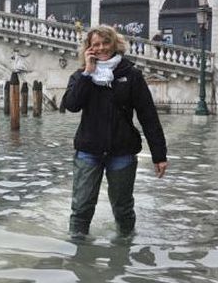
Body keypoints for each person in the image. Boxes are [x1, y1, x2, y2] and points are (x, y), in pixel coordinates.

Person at [61, 25, 168, 238]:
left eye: (105, 43)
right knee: (81, 208)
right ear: (88, 49)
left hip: (122, 151)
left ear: (115, 44)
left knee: (123, 208)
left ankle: (124, 250)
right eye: (95, 45)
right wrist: (87, 73)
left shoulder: (131, 75)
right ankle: (79, 258)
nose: (101, 48)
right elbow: (71, 105)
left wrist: (159, 155)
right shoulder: (80, 75)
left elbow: (148, 116)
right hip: (89, 150)